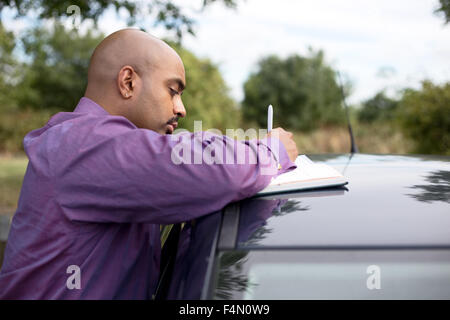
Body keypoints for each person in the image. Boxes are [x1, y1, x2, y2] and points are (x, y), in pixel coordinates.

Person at [0, 28, 298, 299]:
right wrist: (271, 152)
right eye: (173, 90)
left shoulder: (96, 147)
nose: (180, 109)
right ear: (128, 82)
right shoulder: (82, 143)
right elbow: (206, 165)